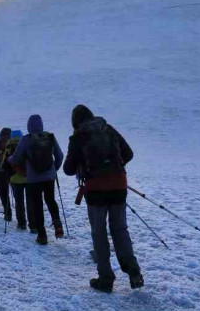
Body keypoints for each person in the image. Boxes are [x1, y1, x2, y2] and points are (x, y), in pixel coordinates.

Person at [63, 104, 142, 293]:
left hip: (96, 189)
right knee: (120, 229)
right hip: (119, 183)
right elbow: (128, 153)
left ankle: (105, 278)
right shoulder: (108, 128)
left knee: (99, 233)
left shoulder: (78, 137)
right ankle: (134, 271)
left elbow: (68, 169)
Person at [8, 114, 64, 245]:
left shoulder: (26, 139)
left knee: (37, 205)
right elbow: (59, 155)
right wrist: (53, 169)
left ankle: (42, 235)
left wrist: (9, 159)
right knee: (51, 200)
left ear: (29, 127)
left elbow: (16, 158)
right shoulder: (50, 137)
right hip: (49, 177)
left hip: (33, 179)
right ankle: (58, 225)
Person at [2, 130, 29, 229]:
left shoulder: (8, 147)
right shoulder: (26, 144)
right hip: (28, 177)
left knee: (19, 201)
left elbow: (4, 165)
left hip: (15, 179)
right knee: (31, 201)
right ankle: (34, 224)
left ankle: (22, 223)